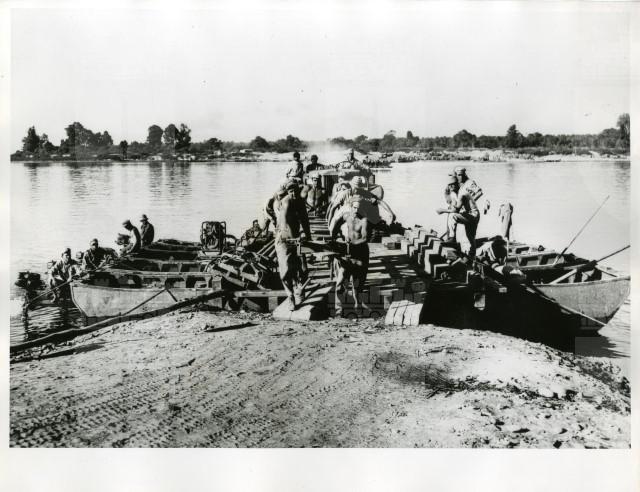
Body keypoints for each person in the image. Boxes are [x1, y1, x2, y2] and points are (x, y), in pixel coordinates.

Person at [274, 180, 312, 310]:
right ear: (287, 192)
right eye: (290, 191)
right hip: (284, 239)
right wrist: (290, 238)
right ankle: (290, 296)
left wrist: (308, 236)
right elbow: (284, 223)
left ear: (298, 190)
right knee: (286, 270)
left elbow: (305, 220)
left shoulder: (300, 202)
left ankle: (301, 290)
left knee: (303, 268)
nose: (293, 194)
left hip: (296, 238)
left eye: (295, 191)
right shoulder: (286, 202)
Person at [330, 199, 370, 316]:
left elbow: (365, 238)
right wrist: (336, 237)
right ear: (351, 207)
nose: (356, 210)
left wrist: (351, 244)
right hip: (348, 253)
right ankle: (339, 310)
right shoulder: (347, 216)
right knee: (341, 281)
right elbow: (336, 223)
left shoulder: (364, 221)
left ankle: (358, 307)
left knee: (357, 284)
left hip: (360, 254)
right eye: (355, 208)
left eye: (359, 208)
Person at [437, 174, 480, 258]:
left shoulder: (462, 193)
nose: (450, 187)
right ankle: (472, 256)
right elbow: (453, 206)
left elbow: (455, 210)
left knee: (453, 215)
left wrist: (442, 210)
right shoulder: (453, 194)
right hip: (468, 215)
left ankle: (452, 238)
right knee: (470, 237)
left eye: (453, 184)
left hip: (473, 216)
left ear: (457, 184)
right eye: (449, 185)